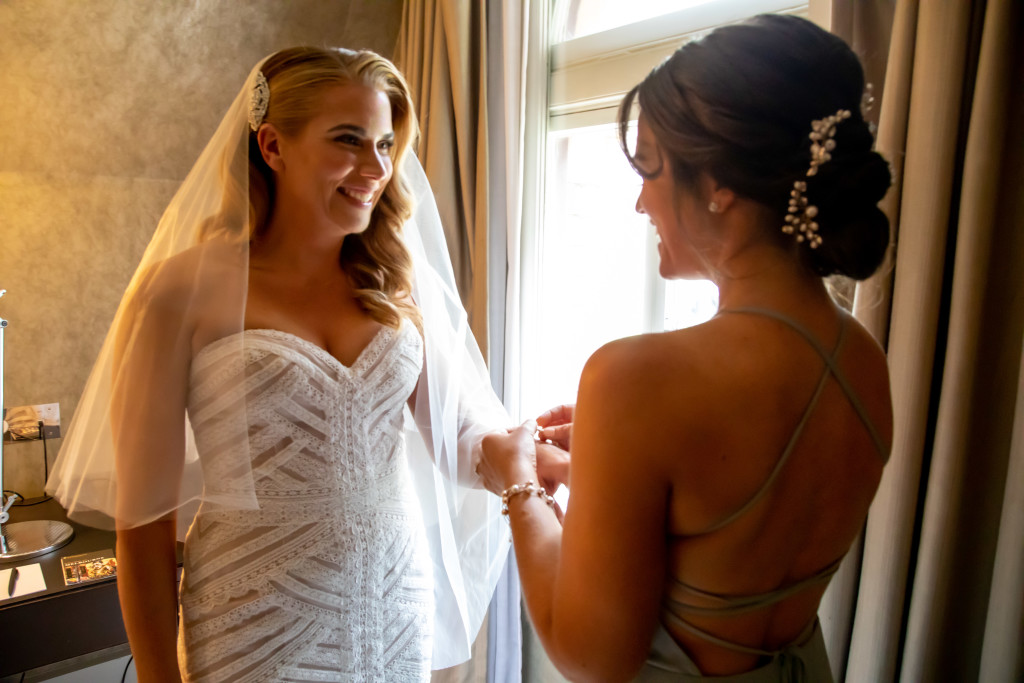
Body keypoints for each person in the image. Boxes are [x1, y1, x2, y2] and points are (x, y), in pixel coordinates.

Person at [46, 46, 550, 682]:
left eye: (385, 144)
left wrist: (539, 456)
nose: (378, 167)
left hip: (394, 612)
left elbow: (460, 437)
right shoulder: (182, 291)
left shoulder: (392, 284)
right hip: (256, 625)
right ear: (273, 145)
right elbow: (144, 526)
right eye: (348, 140)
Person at [477, 14, 893, 682]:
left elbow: (592, 658)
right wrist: (612, 469)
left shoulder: (634, 378)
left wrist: (519, 482)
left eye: (649, 169)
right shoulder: (863, 358)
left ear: (720, 183)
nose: (641, 203)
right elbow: (738, 536)